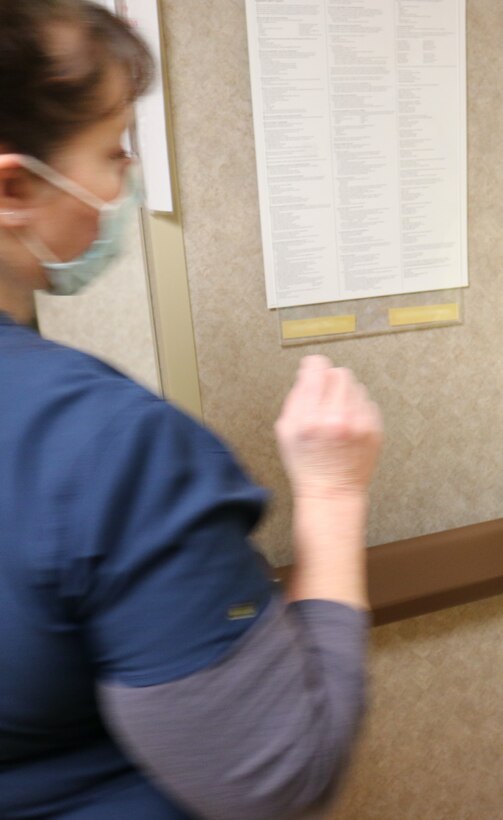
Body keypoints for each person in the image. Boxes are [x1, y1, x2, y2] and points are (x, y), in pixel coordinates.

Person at [0, 2, 381, 818]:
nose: (124, 181)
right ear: (15, 186)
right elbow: (280, 776)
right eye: (110, 151)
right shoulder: (105, 447)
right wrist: (333, 495)